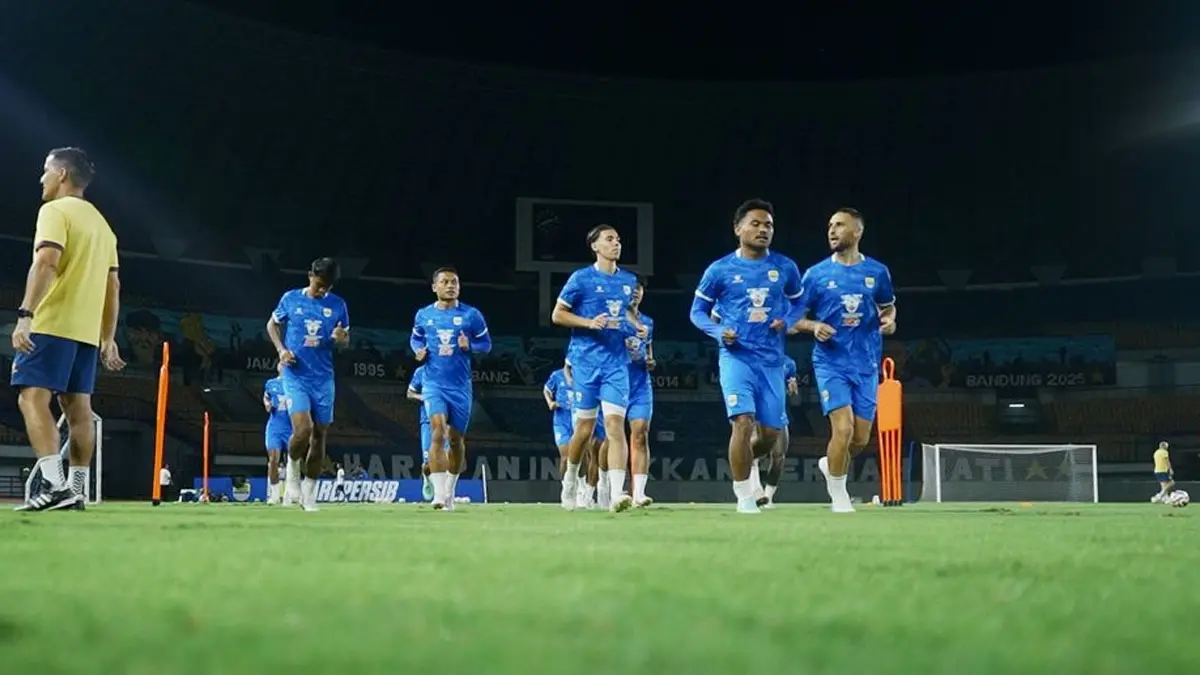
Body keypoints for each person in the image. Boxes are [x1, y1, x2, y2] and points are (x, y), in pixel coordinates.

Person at [11, 147, 125, 512]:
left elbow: (46, 261)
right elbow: (113, 287)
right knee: (78, 409)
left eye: (46, 171)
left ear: (61, 174)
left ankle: (57, 486)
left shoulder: (54, 211)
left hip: (54, 322)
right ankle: (77, 490)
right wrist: (107, 337)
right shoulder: (103, 226)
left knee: (31, 399)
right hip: (86, 332)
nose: (41, 178)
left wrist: (26, 313)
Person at [689, 199, 805, 513]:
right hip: (736, 358)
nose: (763, 229)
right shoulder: (720, 270)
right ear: (738, 228)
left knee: (770, 435)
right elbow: (696, 312)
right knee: (742, 422)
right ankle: (743, 496)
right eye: (755, 223)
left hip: (772, 362)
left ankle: (745, 463)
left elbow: (799, 304)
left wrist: (789, 321)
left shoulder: (785, 267)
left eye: (768, 225)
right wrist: (717, 332)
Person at [790, 208, 896, 513]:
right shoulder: (816, 274)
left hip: (866, 363)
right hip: (830, 363)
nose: (832, 231)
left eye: (839, 225)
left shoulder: (877, 272)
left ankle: (830, 464)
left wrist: (889, 322)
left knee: (860, 439)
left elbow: (888, 309)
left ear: (857, 232)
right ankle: (839, 495)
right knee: (844, 428)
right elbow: (794, 318)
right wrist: (813, 326)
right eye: (830, 226)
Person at [551, 224, 643, 512]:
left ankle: (617, 493)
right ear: (595, 246)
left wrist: (635, 325)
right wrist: (589, 323)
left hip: (616, 364)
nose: (616, 243)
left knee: (615, 425)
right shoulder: (581, 279)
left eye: (618, 239)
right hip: (585, 362)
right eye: (609, 239)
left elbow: (626, 311)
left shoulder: (629, 281)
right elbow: (558, 314)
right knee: (584, 431)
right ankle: (569, 479)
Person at [267, 257, 351, 512]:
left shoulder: (338, 305)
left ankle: (309, 494)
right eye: (320, 284)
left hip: (324, 378)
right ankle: (292, 467)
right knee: (303, 429)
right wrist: (281, 350)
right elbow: (272, 325)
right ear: (310, 275)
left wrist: (341, 339)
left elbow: (345, 340)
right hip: (296, 374)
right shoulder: (291, 299)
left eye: (328, 286)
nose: (323, 290)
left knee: (320, 434)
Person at [410, 267, 492, 510]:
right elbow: (415, 338)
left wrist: (471, 347)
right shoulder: (424, 315)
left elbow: (486, 345)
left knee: (456, 440)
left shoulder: (471, 315)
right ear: (434, 287)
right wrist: (418, 350)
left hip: (460, 387)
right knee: (438, 431)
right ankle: (438, 494)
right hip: (434, 383)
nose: (450, 285)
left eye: (454, 282)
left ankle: (450, 491)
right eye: (445, 282)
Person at [624, 275, 655, 507]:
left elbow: (648, 351)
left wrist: (651, 361)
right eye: (632, 288)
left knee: (641, 433)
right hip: (615, 381)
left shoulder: (648, 322)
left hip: (640, 383)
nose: (636, 292)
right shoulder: (614, 318)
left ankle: (639, 493)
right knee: (608, 439)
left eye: (640, 288)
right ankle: (607, 487)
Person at [761, 355, 799, 508]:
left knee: (779, 456)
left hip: (777, 412)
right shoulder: (752, 356)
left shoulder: (789, 363)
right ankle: (750, 492)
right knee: (751, 453)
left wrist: (792, 388)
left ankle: (768, 497)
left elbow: (794, 394)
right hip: (754, 411)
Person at [406, 365, 438, 502]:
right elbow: (409, 393)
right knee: (427, 464)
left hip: (447, 421)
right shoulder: (420, 371)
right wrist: (423, 397)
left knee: (447, 458)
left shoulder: (449, 370)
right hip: (427, 421)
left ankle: (444, 495)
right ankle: (427, 478)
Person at [263, 363, 291, 505]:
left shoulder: (295, 384)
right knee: (273, 460)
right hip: (275, 426)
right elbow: (266, 397)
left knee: (292, 462)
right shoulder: (270, 383)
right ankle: (274, 495)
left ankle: (289, 495)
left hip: (291, 427)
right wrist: (267, 403)